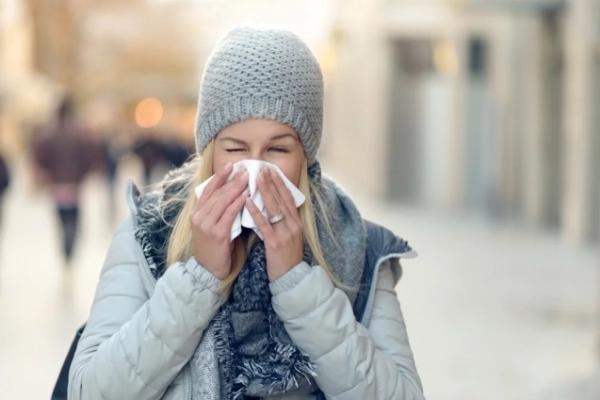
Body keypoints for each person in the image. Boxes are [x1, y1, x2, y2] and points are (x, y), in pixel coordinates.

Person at [68, 26, 425, 399]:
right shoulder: (148, 231)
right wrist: (198, 279)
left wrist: (298, 284)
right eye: (235, 149)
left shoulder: (357, 245)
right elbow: (89, 391)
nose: (254, 168)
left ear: (306, 155)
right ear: (210, 151)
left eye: (278, 150)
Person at [31, 96, 99, 265]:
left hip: (57, 187)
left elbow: (39, 157)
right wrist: (82, 175)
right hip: (74, 186)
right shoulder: (80, 134)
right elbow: (92, 157)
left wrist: (48, 175)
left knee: (62, 221)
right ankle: (70, 250)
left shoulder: (48, 134)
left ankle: (65, 251)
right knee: (74, 221)